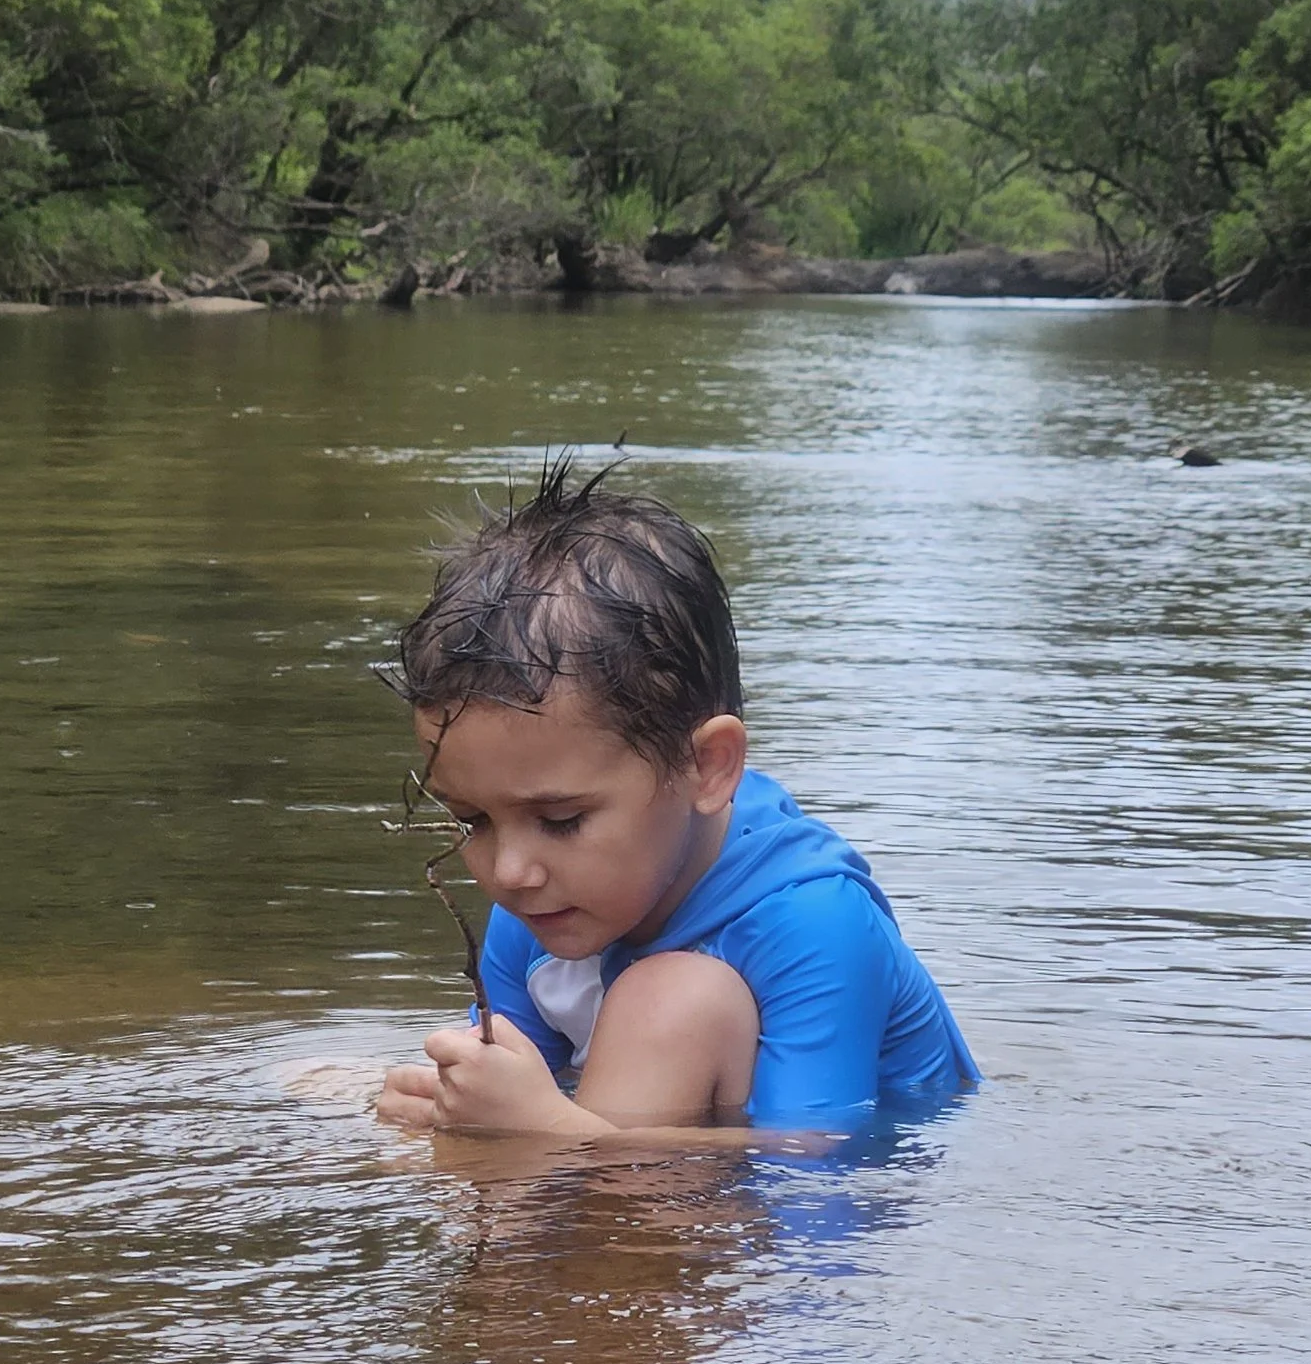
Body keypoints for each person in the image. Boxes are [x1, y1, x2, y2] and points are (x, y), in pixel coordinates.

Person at [374, 461, 976, 1137]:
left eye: (562, 820)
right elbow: (515, 1105)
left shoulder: (814, 923)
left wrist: (548, 1134)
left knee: (675, 1000)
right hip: (669, 1182)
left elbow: (814, 1188)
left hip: (809, 1199)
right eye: (473, 821)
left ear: (708, 767)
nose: (509, 871)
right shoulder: (541, 905)